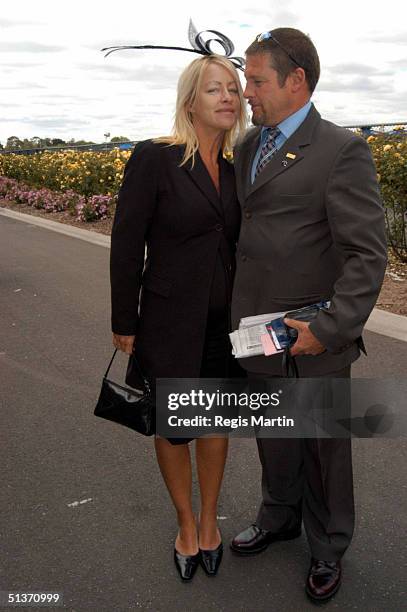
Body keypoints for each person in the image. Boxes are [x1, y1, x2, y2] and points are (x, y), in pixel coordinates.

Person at [230, 28, 387, 602]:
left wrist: (329, 330)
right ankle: (278, 517)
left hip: (311, 333)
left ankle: (328, 546)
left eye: (256, 80)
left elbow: (366, 254)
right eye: (246, 80)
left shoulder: (341, 150)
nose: (248, 92)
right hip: (255, 330)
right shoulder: (250, 145)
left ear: (296, 81)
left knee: (322, 448)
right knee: (273, 435)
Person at [110, 54, 247, 581]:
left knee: (214, 424)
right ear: (190, 99)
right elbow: (127, 244)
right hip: (167, 322)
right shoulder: (155, 158)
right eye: (215, 89)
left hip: (225, 326)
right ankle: (185, 525)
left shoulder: (237, 170)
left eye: (233, 89)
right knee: (174, 430)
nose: (228, 98)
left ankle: (210, 522)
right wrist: (126, 319)